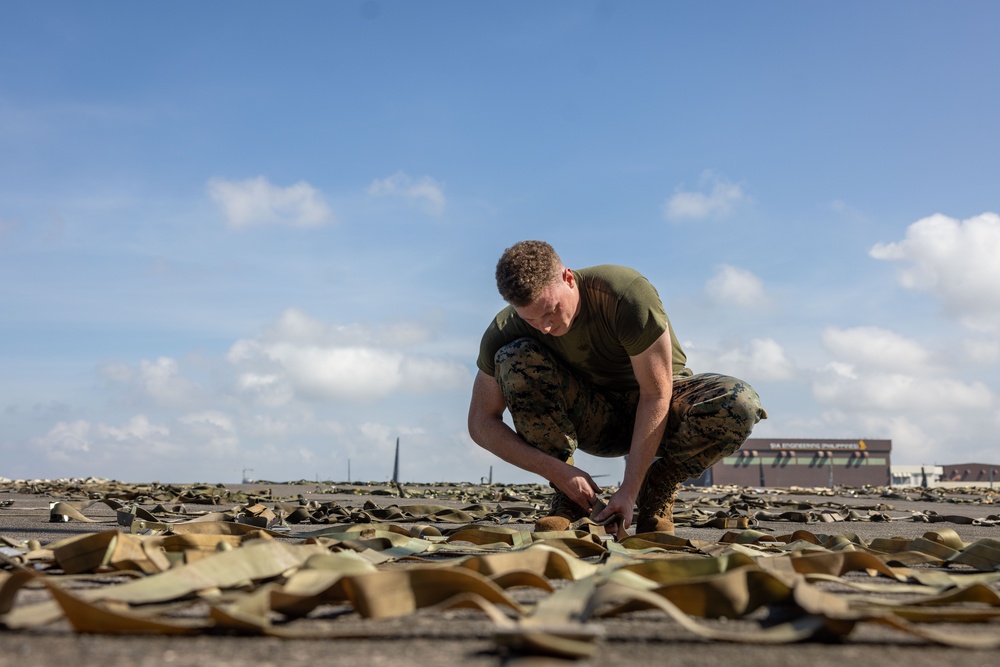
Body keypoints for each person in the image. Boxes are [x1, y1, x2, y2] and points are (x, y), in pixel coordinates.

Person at [467, 240, 767, 537]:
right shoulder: (505, 328)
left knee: (739, 403)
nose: (544, 326)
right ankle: (570, 499)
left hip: (660, 413)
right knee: (513, 356)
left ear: (568, 278)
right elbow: (481, 422)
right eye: (531, 319)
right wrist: (556, 471)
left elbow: (656, 394)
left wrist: (629, 490)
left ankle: (659, 487)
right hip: (594, 419)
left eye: (551, 311)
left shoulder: (624, 294)